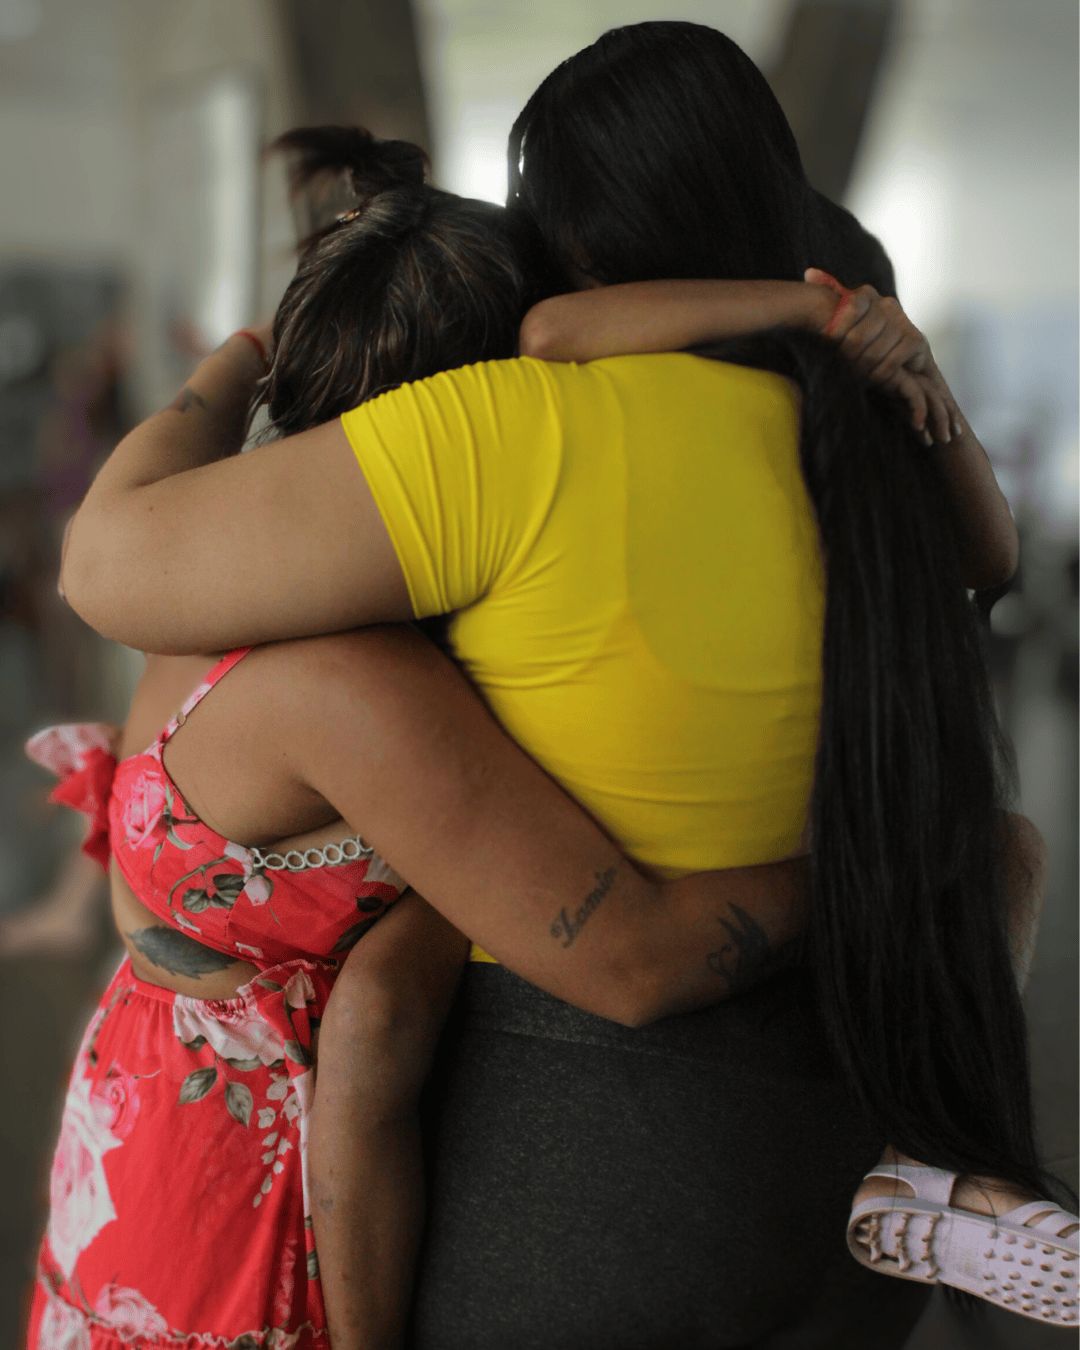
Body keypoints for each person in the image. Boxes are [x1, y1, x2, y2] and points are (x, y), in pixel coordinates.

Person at [57, 26, 1075, 1347]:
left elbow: (111, 565)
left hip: (551, 1159)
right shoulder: (868, 443)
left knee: (384, 1006)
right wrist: (906, 863)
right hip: (858, 1120)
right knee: (1007, 849)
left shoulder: (498, 442)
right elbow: (990, 560)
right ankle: (949, 1163)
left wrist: (247, 346)